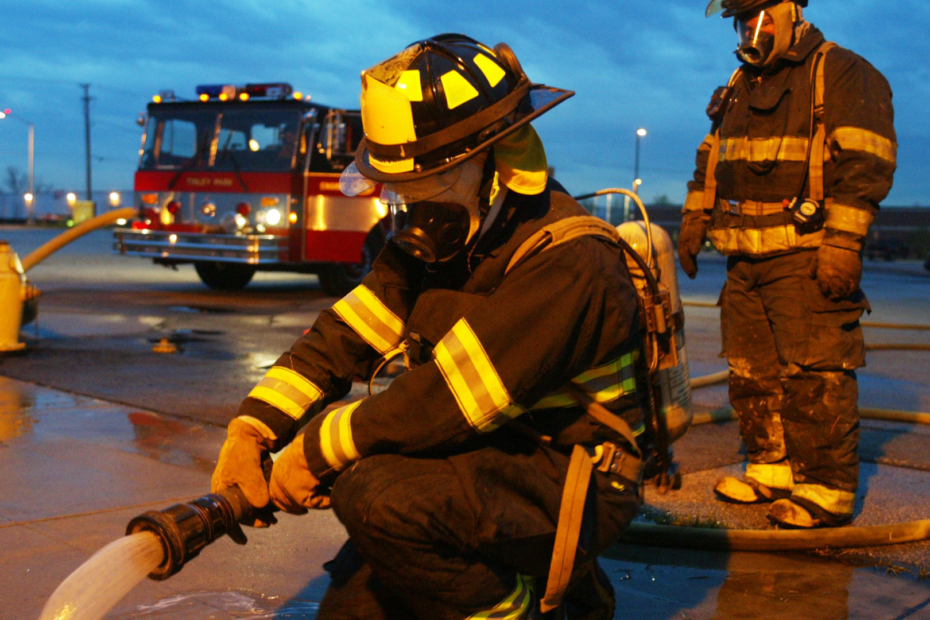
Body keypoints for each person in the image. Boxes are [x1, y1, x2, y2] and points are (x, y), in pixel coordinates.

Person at [212, 34, 648, 619]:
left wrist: (314, 451)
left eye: (422, 183)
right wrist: (252, 430)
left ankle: (535, 606)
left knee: (374, 496)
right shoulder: (443, 236)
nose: (405, 204)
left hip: (570, 477)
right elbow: (343, 336)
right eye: (396, 188)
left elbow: (445, 400)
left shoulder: (570, 261)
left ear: (492, 159)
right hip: (482, 456)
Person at [679, 0, 896, 527]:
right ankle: (771, 468)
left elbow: (866, 161)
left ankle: (826, 488)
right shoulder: (739, 83)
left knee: (814, 372)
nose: (750, 31)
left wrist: (842, 243)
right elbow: (713, 154)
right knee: (752, 371)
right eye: (741, 21)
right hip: (743, 258)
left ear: (790, 13)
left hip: (804, 256)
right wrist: (694, 215)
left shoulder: (838, 71)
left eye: (759, 18)